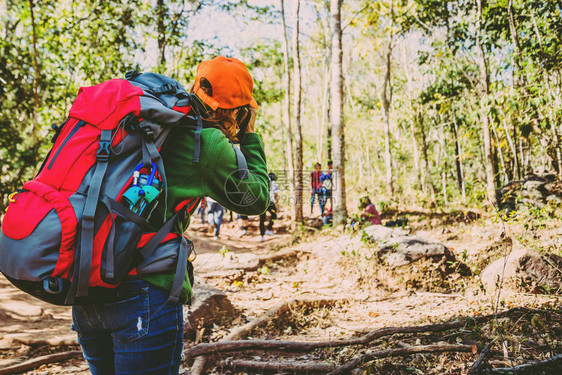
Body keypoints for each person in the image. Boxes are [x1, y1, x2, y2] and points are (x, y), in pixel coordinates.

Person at [71, 56, 269, 375]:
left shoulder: (146, 122)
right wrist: (250, 136)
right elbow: (256, 198)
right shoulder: (206, 144)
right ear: (237, 109)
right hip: (143, 296)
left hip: (86, 288)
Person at [259, 172, 279, 241]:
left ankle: (262, 236)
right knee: (274, 216)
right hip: (271, 203)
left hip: (262, 203)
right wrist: (278, 207)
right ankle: (269, 228)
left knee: (262, 219)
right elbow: (276, 195)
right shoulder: (275, 184)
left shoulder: (263, 182)